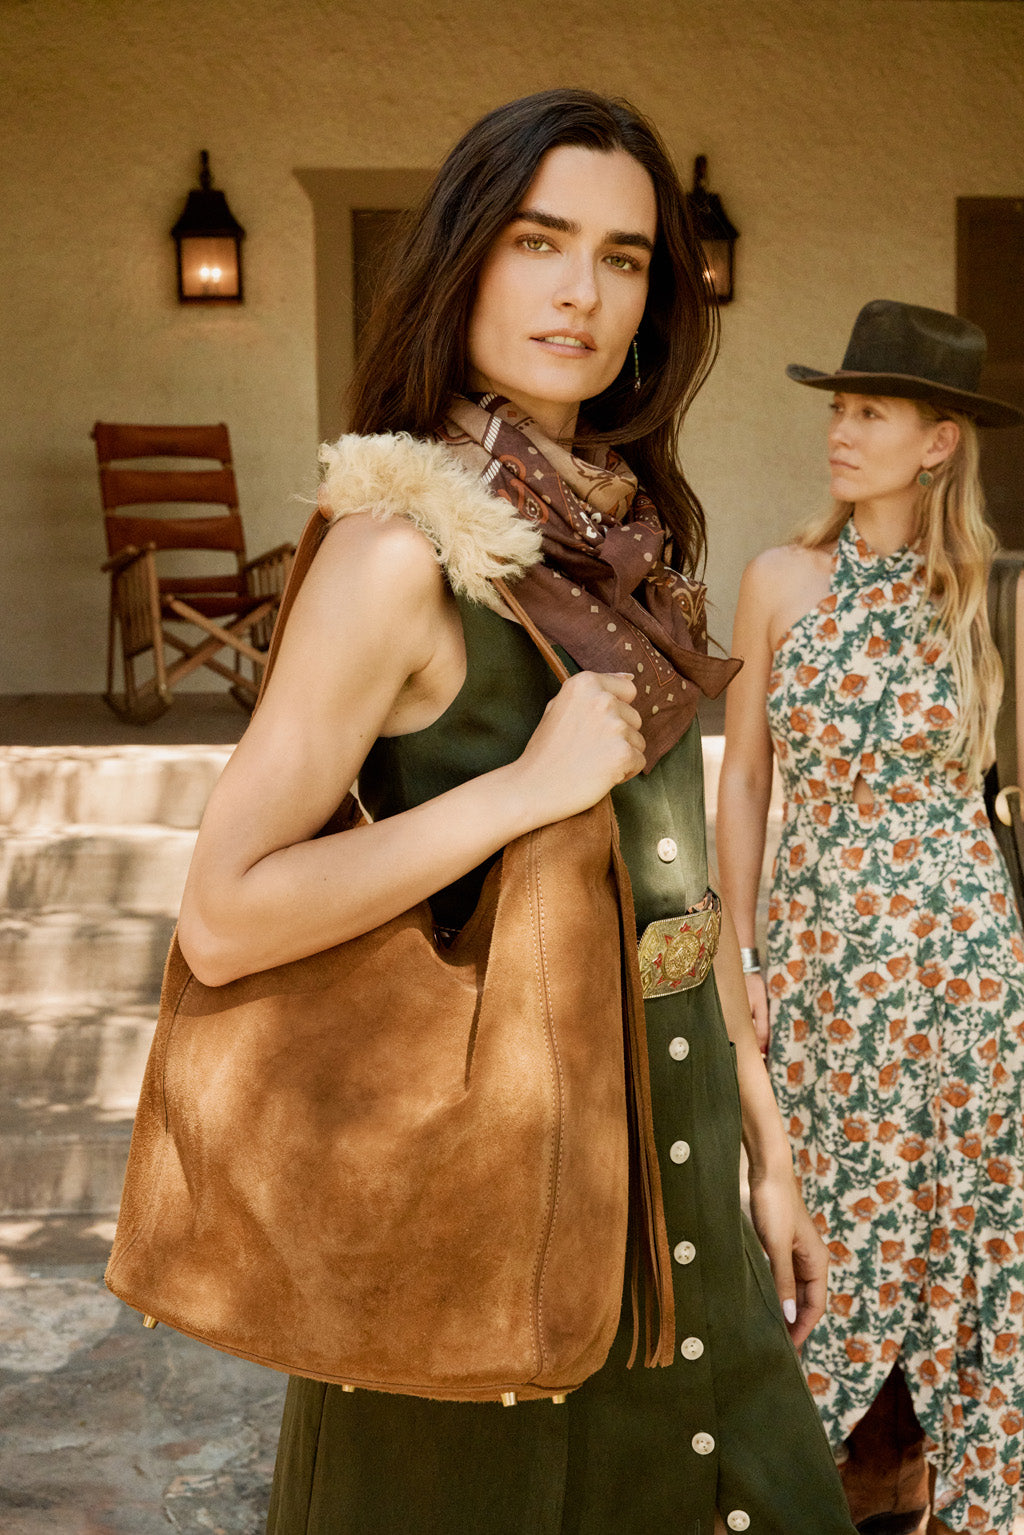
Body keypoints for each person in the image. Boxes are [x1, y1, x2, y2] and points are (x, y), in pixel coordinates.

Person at [176, 89, 857, 1535]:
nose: (581, 291)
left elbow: (680, 894)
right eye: (541, 240)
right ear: (466, 258)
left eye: (624, 258)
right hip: (488, 1214)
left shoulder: (629, 535)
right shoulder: (395, 547)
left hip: (679, 1218)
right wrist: (519, 787)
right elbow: (224, 913)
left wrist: (770, 1149)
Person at [716, 299, 1024, 1535]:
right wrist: (745, 953)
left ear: (937, 441)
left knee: (971, 1249)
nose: (840, 432)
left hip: (963, 977)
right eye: (837, 408)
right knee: (818, 1245)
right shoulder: (781, 580)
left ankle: (964, 1495)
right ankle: (802, 1493)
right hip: (824, 967)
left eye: (870, 411)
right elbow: (742, 778)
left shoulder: (991, 599)